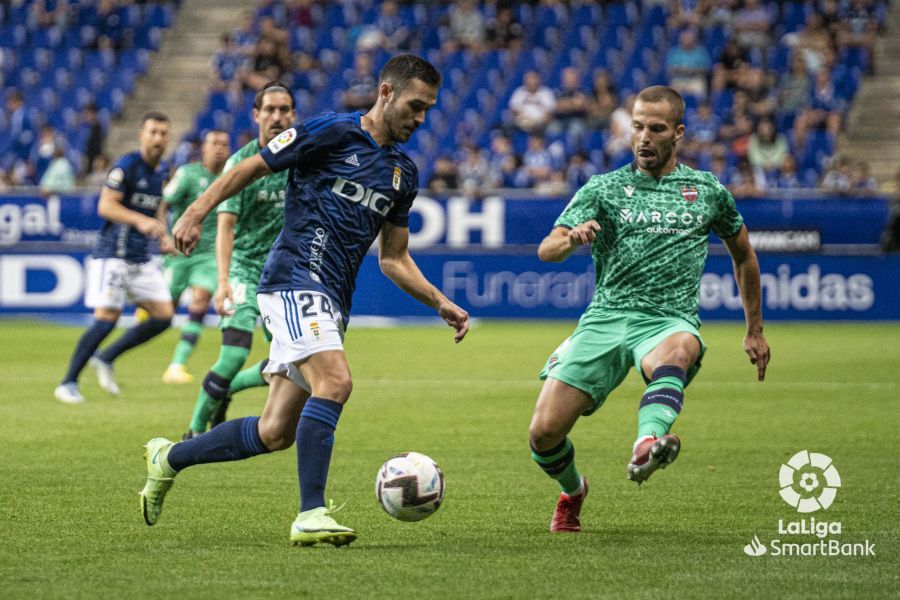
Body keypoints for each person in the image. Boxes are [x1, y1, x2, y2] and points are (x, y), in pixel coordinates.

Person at [139, 55, 470, 547]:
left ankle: (168, 458)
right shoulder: (331, 133)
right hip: (293, 278)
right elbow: (252, 163)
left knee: (275, 432)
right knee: (335, 381)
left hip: (333, 297)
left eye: (427, 111)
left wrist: (439, 301)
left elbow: (393, 257)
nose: (420, 119)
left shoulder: (403, 173)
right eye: (414, 106)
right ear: (385, 93)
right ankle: (310, 513)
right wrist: (194, 212)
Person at [528, 86, 769, 533]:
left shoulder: (706, 190)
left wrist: (754, 329)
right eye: (637, 126)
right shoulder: (603, 188)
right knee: (543, 435)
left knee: (679, 349)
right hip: (605, 317)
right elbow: (547, 249)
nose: (643, 137)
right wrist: (570, 238)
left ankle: (647, 442)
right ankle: (574, 490)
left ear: (677, 133)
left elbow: (744, 255)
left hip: (666, 319)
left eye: (655, 128)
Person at [180, 82, 296, 437]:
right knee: (232, 356)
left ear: (292, 114)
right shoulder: (240, 163)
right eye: (270, 110)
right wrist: (224, 280)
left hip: (285, 273)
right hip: (244, 268)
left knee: (295, 365)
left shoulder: (300, 157)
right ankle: (194, 432)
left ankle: (226, 389)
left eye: (284, 109)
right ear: (257, 115)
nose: (277, 117)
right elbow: (225, 227)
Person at [54, 113, 175, 404]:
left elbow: (156, 209)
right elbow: (106, 206)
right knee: (107, 319)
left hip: (140, 257)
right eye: (153, 132)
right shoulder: (127, 166)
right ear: (141, 135)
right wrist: (139, 221)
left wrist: (163, 235)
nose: (158, 138)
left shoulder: (160, 173)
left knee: (164, 316)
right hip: (113, 255)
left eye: (163, 133)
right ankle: (67, 382)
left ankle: (106, 357)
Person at [159, 130, 231, 384]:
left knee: (200, 301)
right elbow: (163, 202)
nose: (220, 148)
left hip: (210, 256)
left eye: (224, 144)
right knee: (164, 311)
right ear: (203, 148)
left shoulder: (232, 176)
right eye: (214, 143)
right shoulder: (188, 174)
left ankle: (177, 365)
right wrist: (162, 235)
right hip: (178, 253)